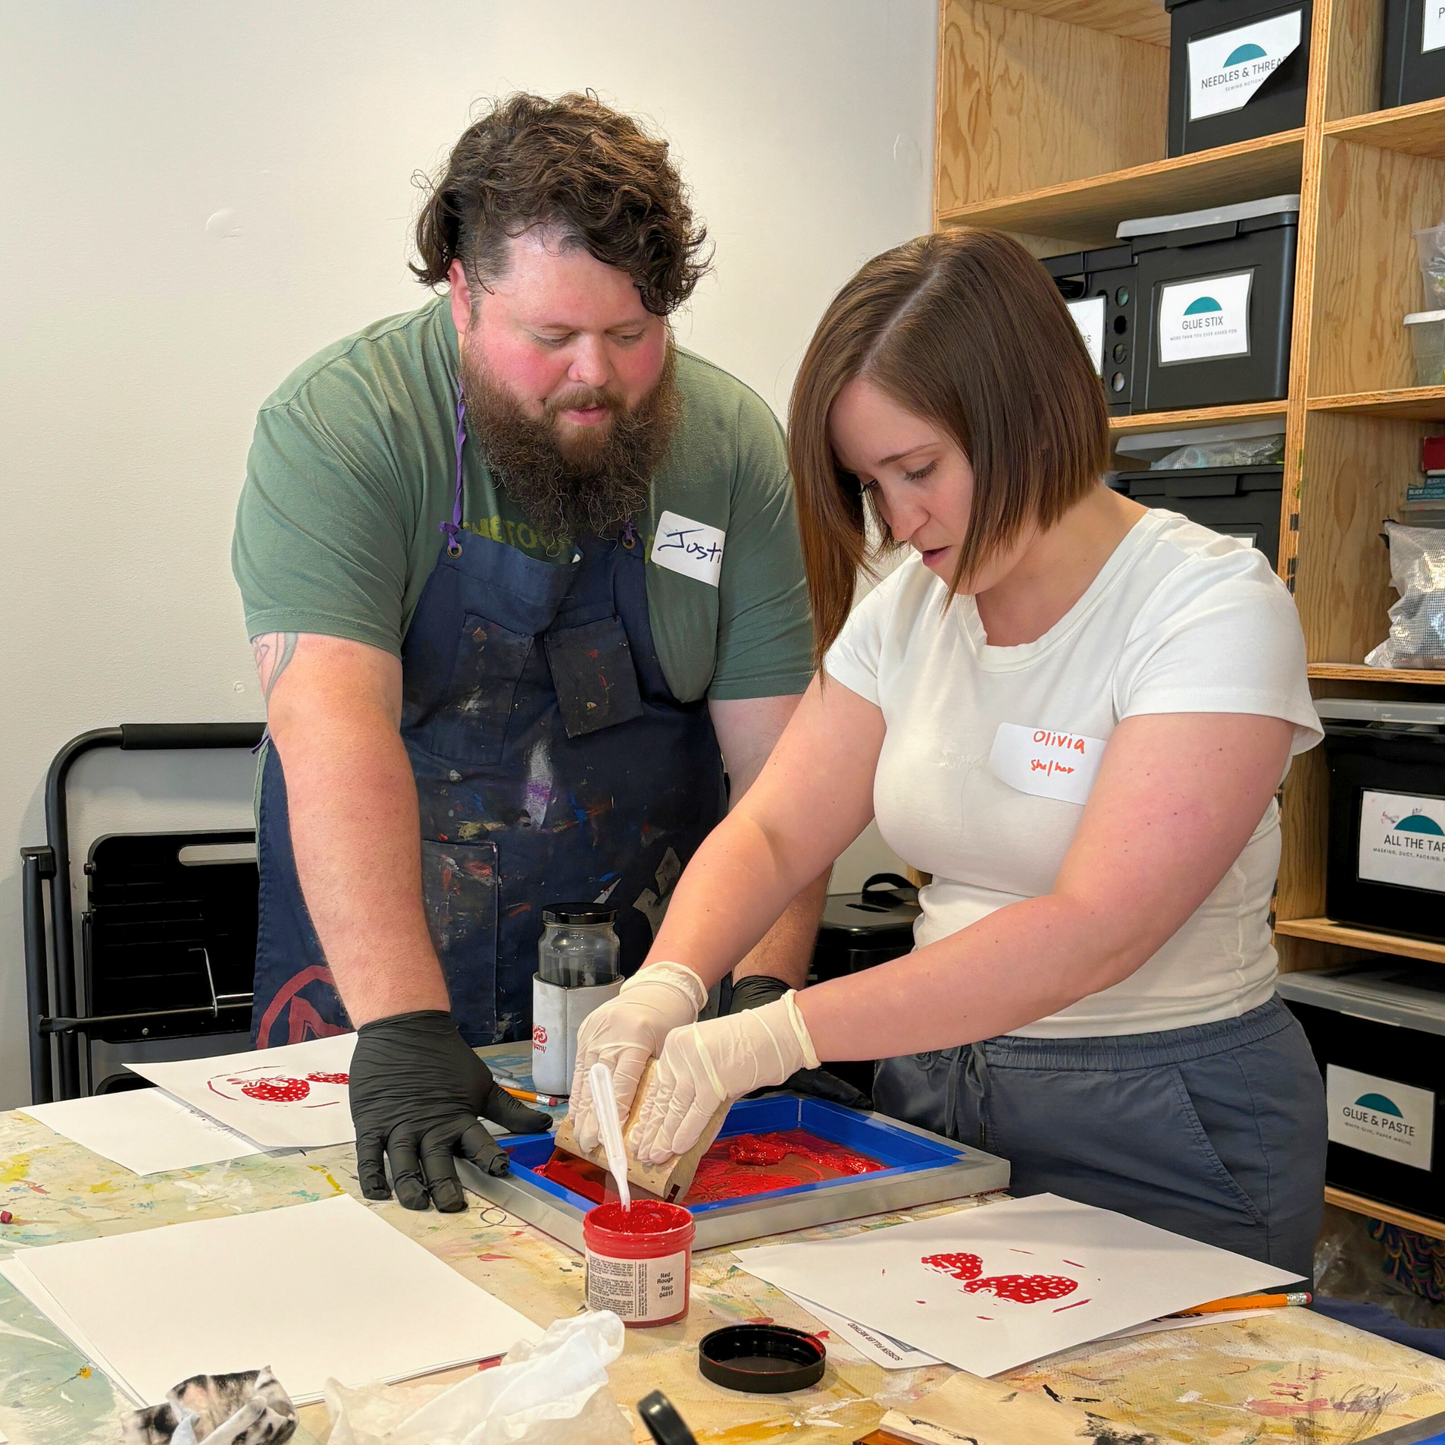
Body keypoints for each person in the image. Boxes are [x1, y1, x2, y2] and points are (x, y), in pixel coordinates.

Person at [570, 227, 1328, 1275]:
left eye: (917, 468)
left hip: (1162, 1116)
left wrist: (776, 1034)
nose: (897, 517)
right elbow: (777, 827)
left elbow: (1092, 927)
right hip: (933, 1090)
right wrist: (666, 984)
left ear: (1029, 413)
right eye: (867, 483)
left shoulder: (1207, 607)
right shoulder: (909, 614)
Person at [231, 93, 844, 1215]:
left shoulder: (728, 446)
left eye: (631, 333)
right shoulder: (342, 425)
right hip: (390, 965)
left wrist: (762, 1001)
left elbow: (783, 772)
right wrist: (407, 1027)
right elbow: (330, 724)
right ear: (462, 295)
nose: (594, 377)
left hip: (644, 979)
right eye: (551, 337)